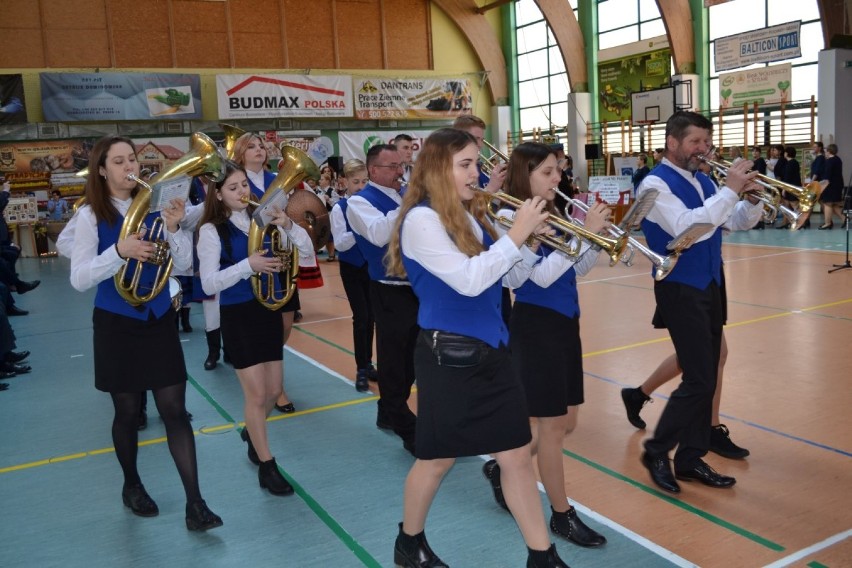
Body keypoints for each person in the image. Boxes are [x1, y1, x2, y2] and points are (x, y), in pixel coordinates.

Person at [385, 127, 571, 568]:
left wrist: (527, 242)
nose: (477, 173)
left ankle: (542, 556)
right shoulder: (420, 220)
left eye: (476, 163)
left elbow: (508, 278)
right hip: (449, 358)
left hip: (492, 353)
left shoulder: (470, 215)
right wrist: (514, 237)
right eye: (465, 164)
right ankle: (409, 544)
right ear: (436, 169)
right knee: (436, 461)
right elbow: (468, 280)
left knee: (516, 459)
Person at [68, 135, 221, 531]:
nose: (127, 167)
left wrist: (172, 227)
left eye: (130, 159)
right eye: (117, 162)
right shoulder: (89, 216)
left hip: (156, 322)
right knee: (127, 411)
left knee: (175, 412)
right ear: (101, 170)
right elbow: (80, 279)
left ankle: (196, 503)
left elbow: (184, 263)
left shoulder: (156, 206)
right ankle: (131, 484)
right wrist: (120, 252)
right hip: (116, 324)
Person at [483, 142, 609, 549]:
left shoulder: (552, 209)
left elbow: (579, 268)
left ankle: (501, 467)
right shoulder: (508, 215)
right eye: (549, 172)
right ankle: (561, 515)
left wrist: (590, 237)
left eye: (558, 171)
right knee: (553, 429)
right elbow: (532, 280)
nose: (558, 178)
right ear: (527, 174)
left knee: (565, 422)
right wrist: (582, 233)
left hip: (565, 324)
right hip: (536, 328)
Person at [636, 112, 763, 494]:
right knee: (700, 378)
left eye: (706, 142)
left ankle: (690, 458)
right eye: (695, 142)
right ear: (672, 142)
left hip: (710, 283)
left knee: (705, 375)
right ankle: (657, 450)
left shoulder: (705, 179)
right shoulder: (653, 184)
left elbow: (734, 221)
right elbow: (687, 226)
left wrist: (750, 201)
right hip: (680, 287)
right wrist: (729, 190)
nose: (703, 150)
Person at [198, 161, 312, 495]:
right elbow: (208, 283)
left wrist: (288, 224)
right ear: (217, 195)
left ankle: (253, 427)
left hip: (267, 310)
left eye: (244, 185)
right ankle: (267, 465)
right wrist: (248, 265)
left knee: (274, 390)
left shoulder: (261, 217)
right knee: (258, 393)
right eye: (233, 188)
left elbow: (306, 254)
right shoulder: (210, 231)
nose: (242, 192)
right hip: (237, 314)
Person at [346, 143, 419, 454]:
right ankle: (406, 427)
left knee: (413, 358)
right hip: (388, 288)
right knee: (392, 360)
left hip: (416, 286)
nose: (399, 171)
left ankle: (388, 411)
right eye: (392, 166)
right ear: (373, 170)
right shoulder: (358, 203)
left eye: (400, 165)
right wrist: (413, 203)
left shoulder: (403, 194)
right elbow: (377, 234)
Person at [232, 132, 301, 413]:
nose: (259, 150)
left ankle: (274, 374)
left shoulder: (277, 180)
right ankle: (276, 386)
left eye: (262, 145)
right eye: (251, 146)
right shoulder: (236, 183)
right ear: (240, 152)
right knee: (261, 325)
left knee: (284, 325)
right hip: (251, 257)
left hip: (279, 257)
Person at [329, 159, 377, 392]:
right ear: (344, 182)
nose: (360, 186)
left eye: (365, 181)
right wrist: (360, 230)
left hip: (372, 267)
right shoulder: (340, 208)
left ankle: (368, 363)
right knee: (361, 317)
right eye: (355, 182)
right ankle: (360, 368)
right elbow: (340, 243)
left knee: (372, 318)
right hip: (352, 268)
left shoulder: (371, 204)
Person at [818, 144, 845, 229]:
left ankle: (827, 223)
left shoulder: (830, 161)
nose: (825, 152)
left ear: (829, 151)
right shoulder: (838, 159)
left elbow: (827, 177)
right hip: (838, 184)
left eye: (826, 151)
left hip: (831, 186)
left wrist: (821, 187)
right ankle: (845, 219)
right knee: (834, 205)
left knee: (827, 204)